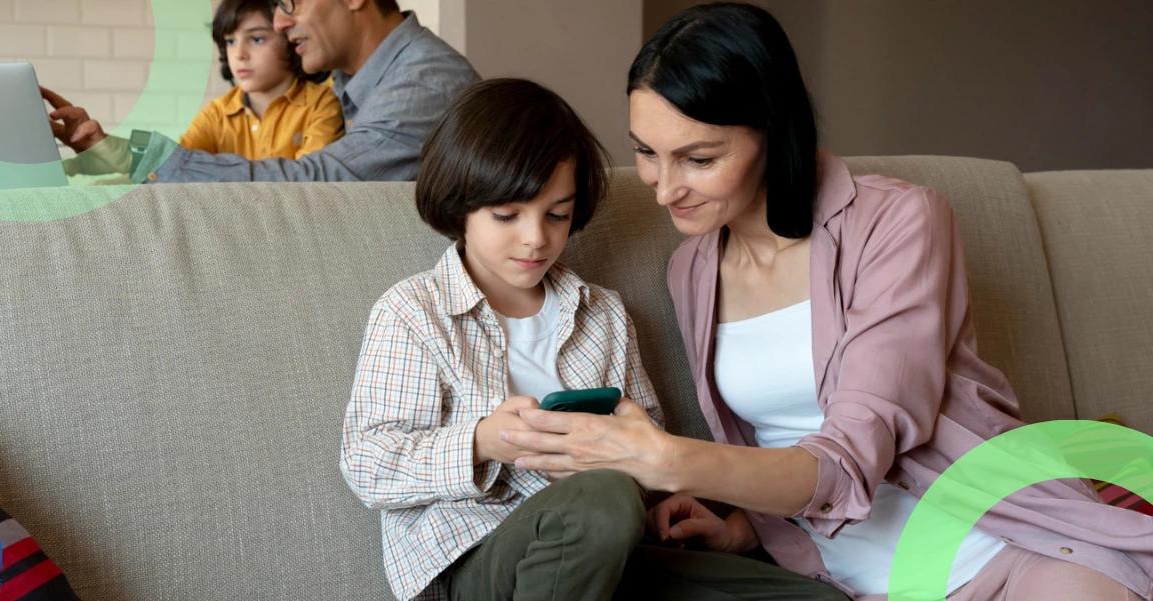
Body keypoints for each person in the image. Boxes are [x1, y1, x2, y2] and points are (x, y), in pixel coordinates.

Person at [500, 4, 1153, 601]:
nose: (665, 188)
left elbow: (848, 458)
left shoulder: (899, 223)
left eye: (698, 158)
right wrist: (746, 530)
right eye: (646, 152)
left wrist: (664, 457)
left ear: (771, 131)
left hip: (1008, 547)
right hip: (845, 579)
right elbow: (776, 432)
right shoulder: (691, 268)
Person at [339, 78, 845, 601]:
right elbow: (368, 466)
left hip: (610, 552)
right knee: (600, 501)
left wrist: (646, 483)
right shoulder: (415, 312)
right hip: (478, 559)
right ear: (459, 207)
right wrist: (483, 441)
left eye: (557, 215)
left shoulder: (601, 313)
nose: (536, 238)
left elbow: (647, 442)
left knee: (816, 597)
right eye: (507, 215)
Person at [43, 0, 478, 183]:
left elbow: (321, 183)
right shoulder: (364, 81)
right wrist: (109, 150)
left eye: (291, 2)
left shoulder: (422, 83)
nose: (282, 23)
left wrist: (146, 160)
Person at [176, 0, 343, 160]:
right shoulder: (215, 115)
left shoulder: (322, 105)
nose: (239, 54)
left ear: (291, 41)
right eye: (231, 41)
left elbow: (309, 181)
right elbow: (175, 166)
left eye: (257, 39)